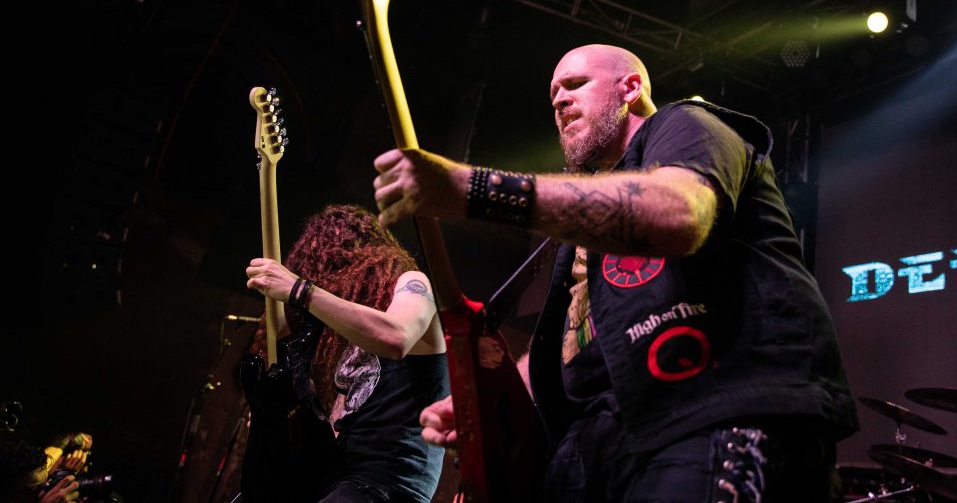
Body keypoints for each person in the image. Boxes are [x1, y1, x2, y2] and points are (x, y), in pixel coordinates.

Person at [372, 44, 858, 502]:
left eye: (575, 84)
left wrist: (477, 190)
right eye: (553, 94)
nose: (559, 100)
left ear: (631, 88)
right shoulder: (587, 221)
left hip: (711, 412)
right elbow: (576, 339)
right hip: (594, 442)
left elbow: (679, 213)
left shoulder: (687, 123)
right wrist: (491, 403)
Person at [245, 204, 449, 503]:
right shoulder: (338, 341)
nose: (329, 285)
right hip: (340, 480)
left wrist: (301, 290)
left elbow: (396, 337)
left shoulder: (412, 284)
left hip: (386, 484)